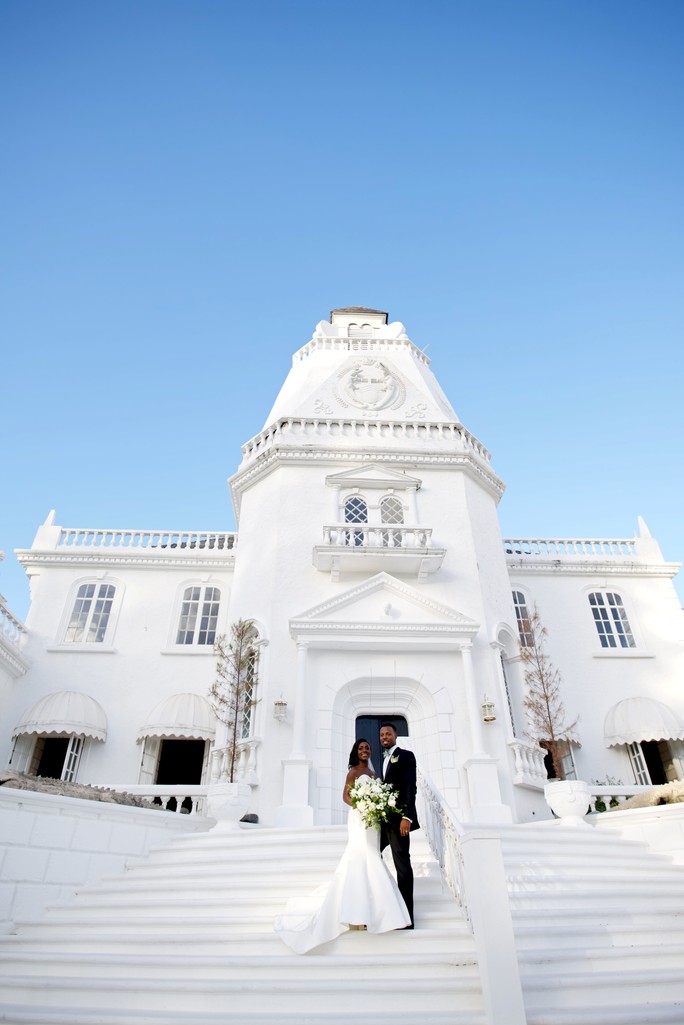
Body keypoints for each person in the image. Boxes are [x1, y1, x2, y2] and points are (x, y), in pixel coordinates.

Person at [274, 737, 411, 953]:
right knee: (359, 855)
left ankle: (370, 913)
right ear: (356, 752)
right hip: (359, 818)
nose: (364, 751)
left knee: (371, 855)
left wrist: (375, 806)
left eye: (367, 748)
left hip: (373, 820)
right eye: (361, 748)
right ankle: (355, 914)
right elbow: (346, 796)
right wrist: (363, 804)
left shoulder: (375, 775)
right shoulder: (354, 772)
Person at [379, 721, 419, 928]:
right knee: (369, 854)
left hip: (399, 822)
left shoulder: (405, 755)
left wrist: (407, 817)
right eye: (382, 735)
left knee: (402, 866)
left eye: (388, 734)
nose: (385, 737)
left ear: (395, 735)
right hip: (384, 821)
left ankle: (407, 918)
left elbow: (410, 787)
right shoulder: (383, 759)